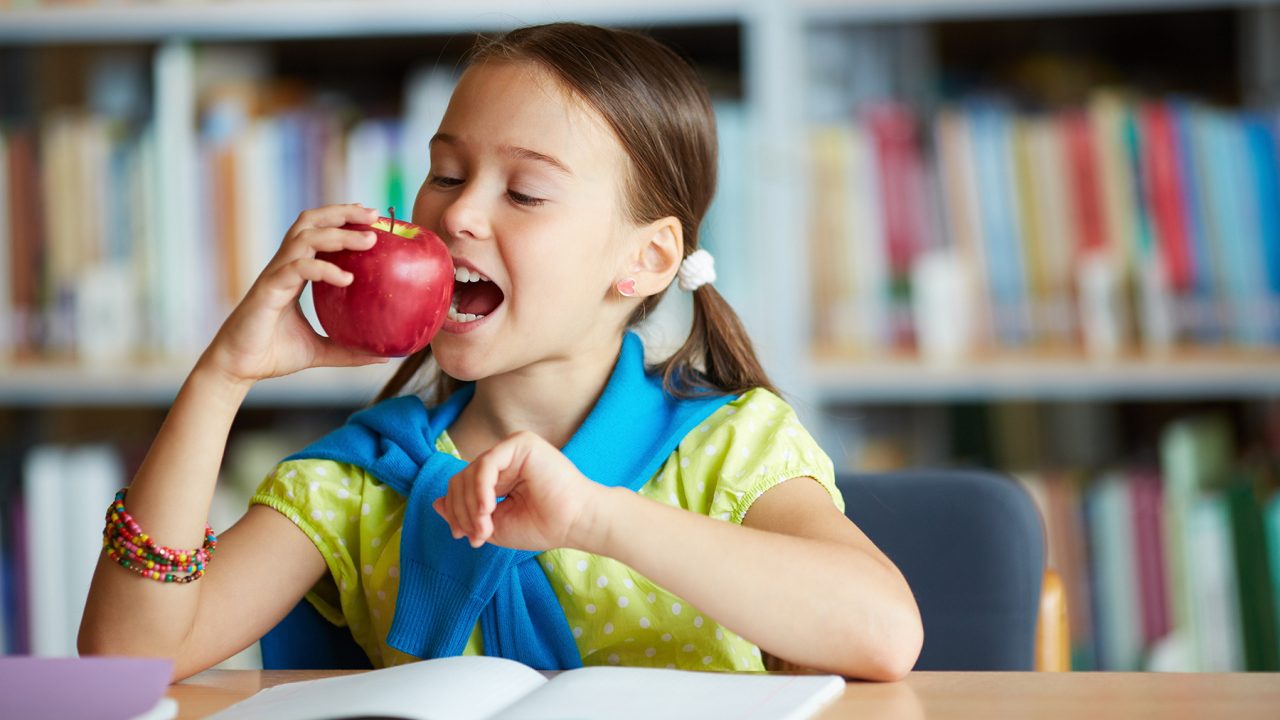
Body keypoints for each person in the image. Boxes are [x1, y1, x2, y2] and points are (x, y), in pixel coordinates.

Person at [79, 22, 922, 682]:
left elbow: (884, 633)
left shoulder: (730, 451)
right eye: (446, 174)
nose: (458, 216)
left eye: (524, 191)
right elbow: (130, 657)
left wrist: (596, 518)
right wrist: (222, 376)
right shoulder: (360, 480)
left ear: (647, 260)